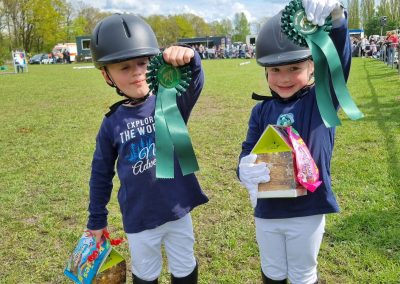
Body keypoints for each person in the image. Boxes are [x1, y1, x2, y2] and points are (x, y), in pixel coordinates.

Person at [86, 13, 208, 283]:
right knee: (145, 272)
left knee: (184, 266)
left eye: (142, 62)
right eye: (124, 67)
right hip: (139, 217)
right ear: (107, 75)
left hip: (178, 209)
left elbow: (196, 82)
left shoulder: (170, 100)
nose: (137, 72)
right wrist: (96, 218)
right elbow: (100, 174)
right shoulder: (111, 124)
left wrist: (190, 57)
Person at [237, 0, 351, 283]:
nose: (283, 78)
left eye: (294, 68)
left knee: (302, 273)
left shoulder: (322, 101)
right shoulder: (260, 111)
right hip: (267, 209)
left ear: (312, 66)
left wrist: (337, 21)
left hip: (307, 210)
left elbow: (339, 63)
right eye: (275, 70)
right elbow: (247, 151)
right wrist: (243, 168)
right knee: (272, 271)